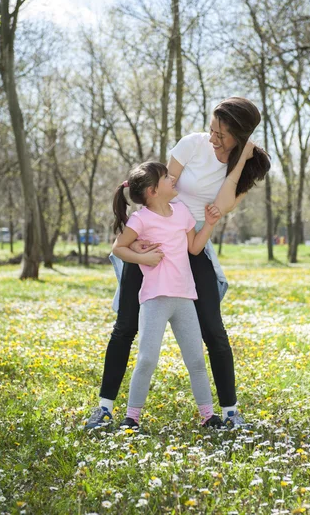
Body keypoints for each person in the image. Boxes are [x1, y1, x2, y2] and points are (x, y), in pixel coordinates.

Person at [85, 96, 271, 430]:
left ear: (240, 138)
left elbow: (225, 203)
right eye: (212, 128)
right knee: (126, 324)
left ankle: (229, 412)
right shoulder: (191, 145)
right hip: (155, 239)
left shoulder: (249, 164)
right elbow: (159, 192)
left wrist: (241, 159)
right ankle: (104, 408)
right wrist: (140, 239)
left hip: (192, 241)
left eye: (222, 134)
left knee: (213, 329)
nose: (212, 137)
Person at [103, 161, 223, 429]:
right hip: (155, 299)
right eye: (167, 177)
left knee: (196, 360)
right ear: (152, 191)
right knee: (147, 359)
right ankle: (131, 418)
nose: (173, 179)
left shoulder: (181, 212)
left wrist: (210, 224)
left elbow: (194, 247)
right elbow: (118, 248)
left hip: (184, 298)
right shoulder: (141, 219)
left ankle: (208, 416)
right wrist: (142, 256)